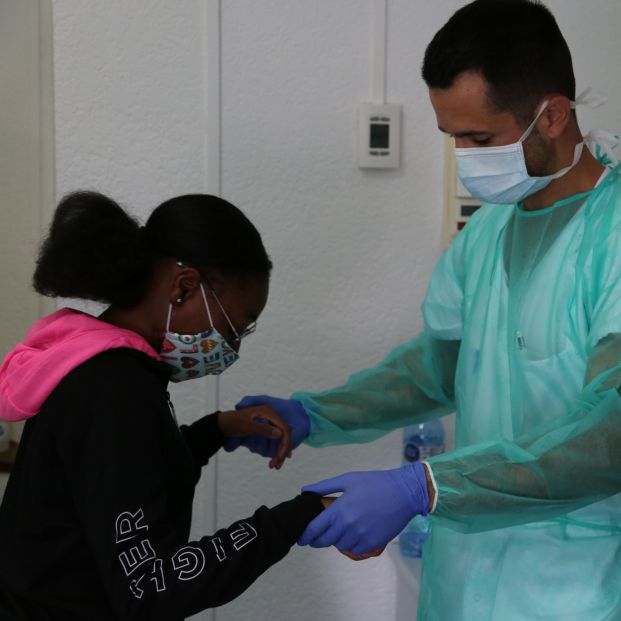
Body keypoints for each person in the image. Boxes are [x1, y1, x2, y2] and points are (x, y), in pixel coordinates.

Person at [228, 1, 621, 619]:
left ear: (552, 115)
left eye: (480, 139)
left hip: (576, 584)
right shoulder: (487, 233)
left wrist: (427, 485)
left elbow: (609, 438)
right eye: (453, 138)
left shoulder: (612, 235)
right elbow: (435, 371)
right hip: (461, 580)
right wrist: (315, 414)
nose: (465, 156)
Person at [0, 191, 335, 620]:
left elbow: (128, 480)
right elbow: (150, 587)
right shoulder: (115, 388)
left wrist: (218, 428)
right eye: (236, 328)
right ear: (184, 286)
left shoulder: (96, 364)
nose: (231, 348)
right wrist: (299, 516)